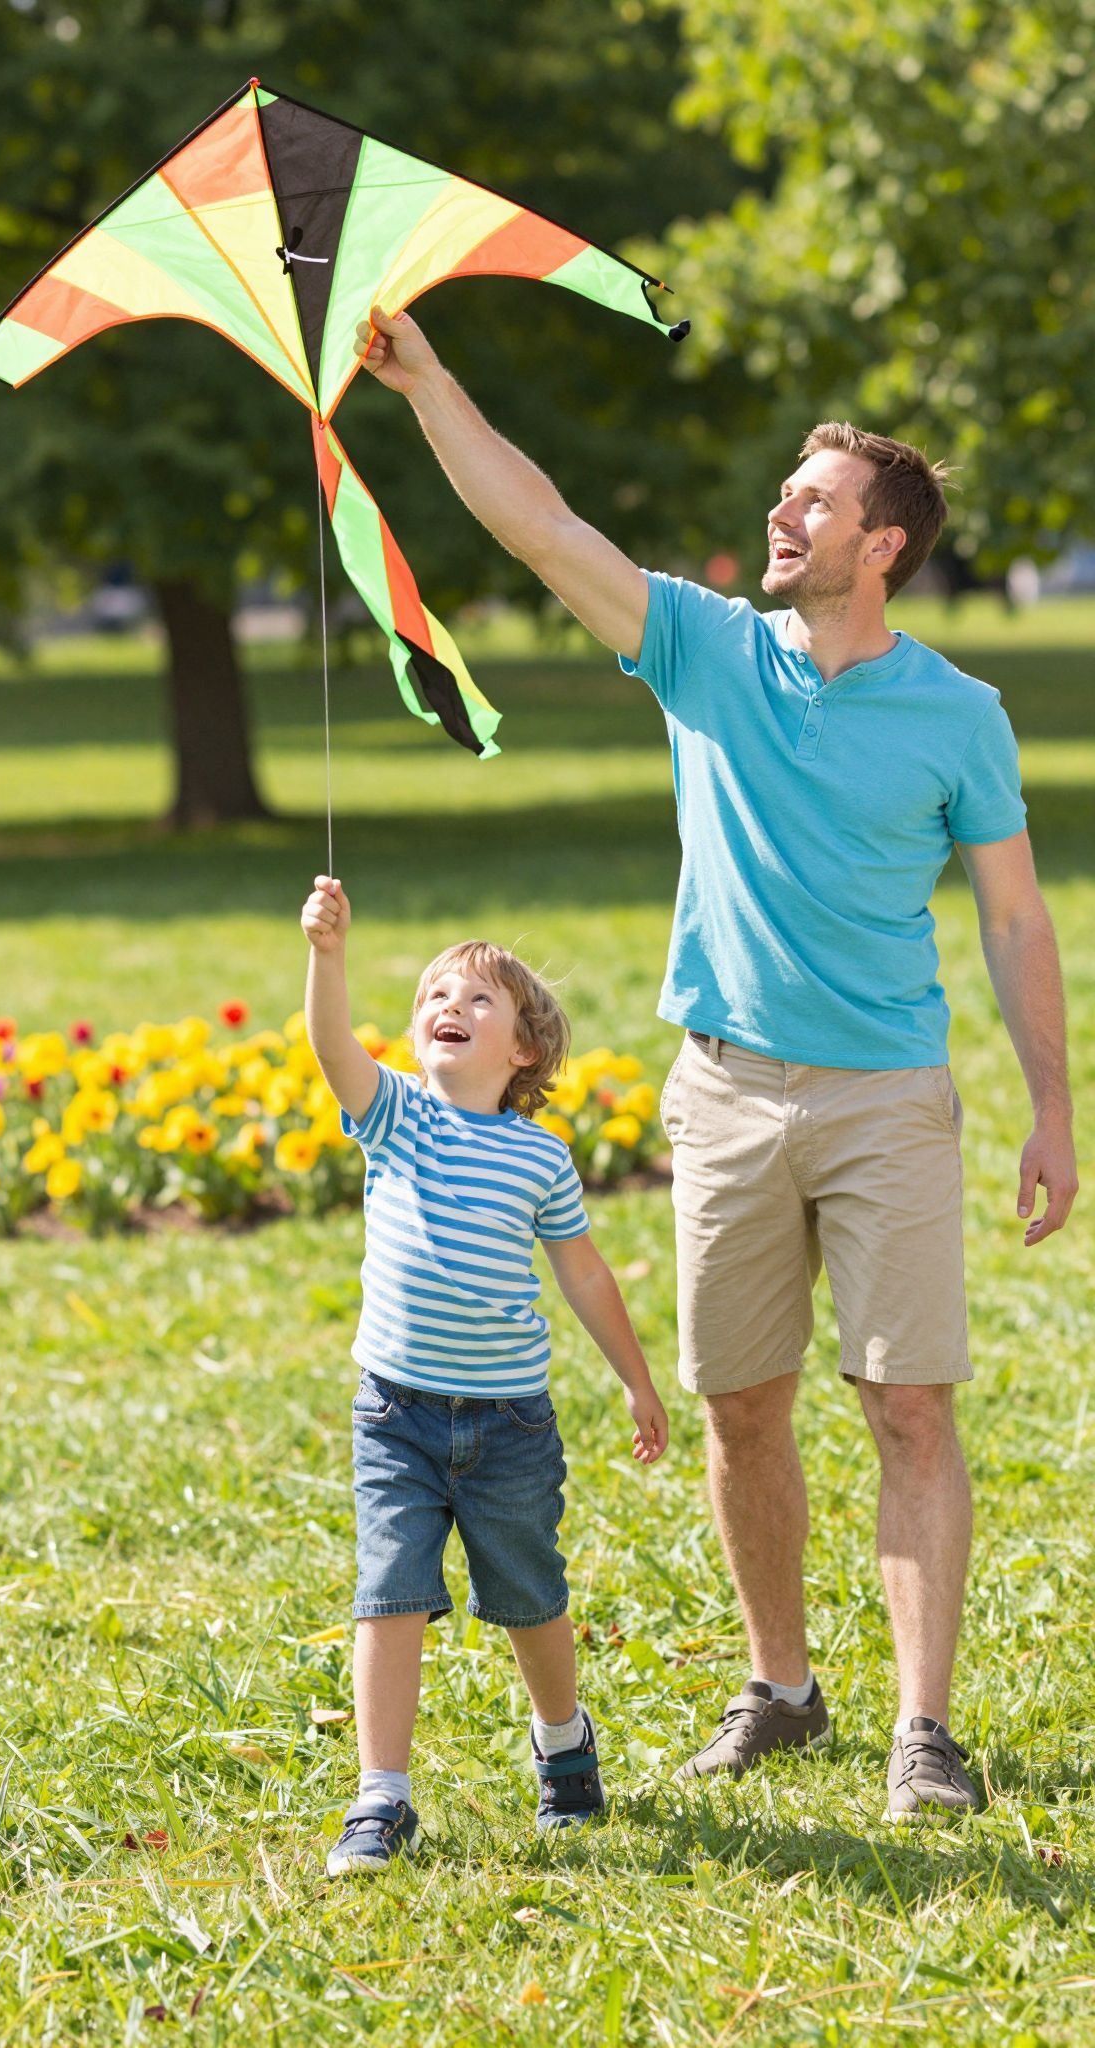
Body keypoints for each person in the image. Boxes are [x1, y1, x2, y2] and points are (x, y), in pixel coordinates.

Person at [352, 304, 1079, 1824]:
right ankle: (782, 1689)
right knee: (743, 1407)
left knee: (909, 1408)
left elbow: (1015, 917)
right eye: (785, 492)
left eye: (814, 500)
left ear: (883, 544)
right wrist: (426, 386)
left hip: (885, 1096)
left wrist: (1052, 1112)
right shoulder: (708, 649)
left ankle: (924, 1731)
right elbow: (543, 526)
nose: (781, 513)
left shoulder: (961, 716)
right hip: (728, 1092)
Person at [301, 876, 669, 1874]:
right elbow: (331, 1046)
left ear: (524, 1049)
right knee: (388, 1594)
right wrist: (328, 955)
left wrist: (636, 1380)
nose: (449, 1006)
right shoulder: (395, 1116)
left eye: (476, 998)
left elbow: (584, 1273)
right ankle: (381, 1795)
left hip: (510, 1425)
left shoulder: (539, 1159)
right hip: (396, 1416)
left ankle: (563, 1742)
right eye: (434, 995)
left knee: (529, 1597)